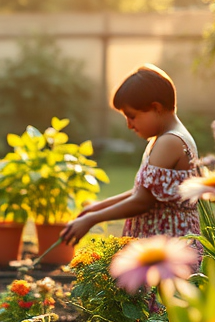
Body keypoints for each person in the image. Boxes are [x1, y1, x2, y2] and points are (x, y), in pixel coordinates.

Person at [60, 65, 199, 244]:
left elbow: (142, 201)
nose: (129, 125)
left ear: (155, 107)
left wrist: (91, 219)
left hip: (167, 249)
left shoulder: (170, 141)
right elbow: (144, 191)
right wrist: (97, 208)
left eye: (131, 116)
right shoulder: (162, 138)